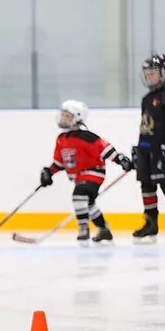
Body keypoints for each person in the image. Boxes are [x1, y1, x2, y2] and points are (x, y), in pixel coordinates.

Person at [38, 100, 133, 245]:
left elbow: (105, 149)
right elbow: (60, 162)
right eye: (62, 115)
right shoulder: (61, 139)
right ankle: (103, 230)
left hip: (94, 173)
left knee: (79, 195)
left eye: (67, 116)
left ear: (77, 118)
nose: (63, 118)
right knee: (88, 204)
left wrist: (121, 160)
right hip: (78, 177)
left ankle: (83, 227)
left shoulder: (86, 136)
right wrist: (49, 173)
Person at [133, 53, 165, 242]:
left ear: (164, 73)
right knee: (146, 185)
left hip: (164, 150)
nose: (149, 76)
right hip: (147, 150)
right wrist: (139, 148)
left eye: (153, 72)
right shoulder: (147, 99)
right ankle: (151, 222)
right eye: (147, 73)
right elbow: (146, 126)